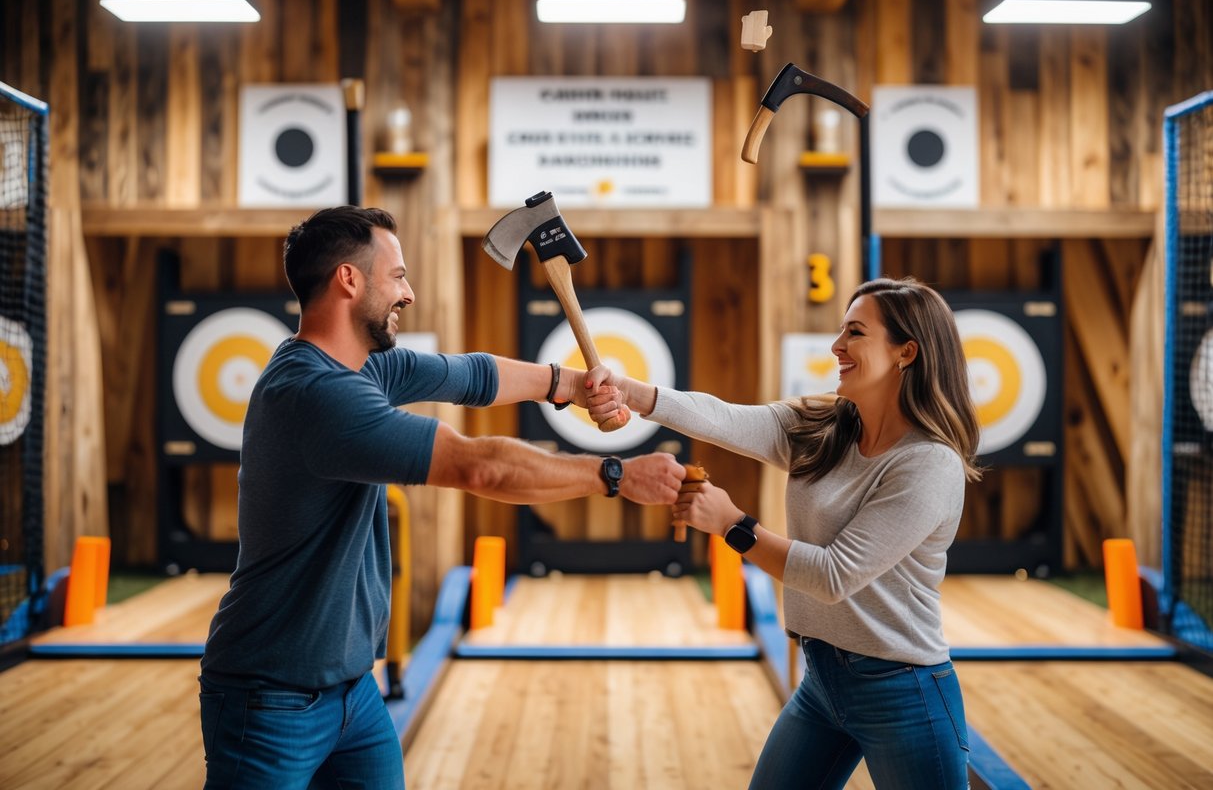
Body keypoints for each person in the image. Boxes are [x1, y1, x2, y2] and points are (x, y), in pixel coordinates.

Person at [198, 206, 683, 790]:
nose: (408, 292)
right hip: (268, 700)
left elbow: (469, 375)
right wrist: (615, 475)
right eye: (397, 275)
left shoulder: (361, 369)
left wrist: (570, 385)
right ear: (349, 280)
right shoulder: (315, 394)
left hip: (354, 692)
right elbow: (480, 469)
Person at [590, 277, 981, 790]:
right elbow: (724, 419)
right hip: (823, 681)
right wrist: (629, 392)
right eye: (841, 329)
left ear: (906, 352)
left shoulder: (928, 463)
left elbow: (834, 575)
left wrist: (732, 524)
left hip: (904, 691)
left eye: (855, 332)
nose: (837, 345)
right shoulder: (822, 426)